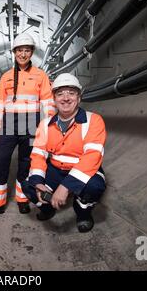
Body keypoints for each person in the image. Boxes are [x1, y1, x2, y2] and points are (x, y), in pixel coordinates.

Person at [0, 33, 55, 219]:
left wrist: (50, 125)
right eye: (20, 50)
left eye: (26, 50)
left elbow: (48, 102)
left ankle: (23, 200)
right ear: (14, 52)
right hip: (9, 125)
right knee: (1, 162)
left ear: (31, 52)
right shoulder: (5, 77)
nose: (23, 54)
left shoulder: (40, 75)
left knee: (26, 163)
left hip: (32, 124)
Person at [21, 73, 107, 233]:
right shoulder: (45, 124)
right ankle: (48, 209)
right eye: (60, 94)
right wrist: (39, 182)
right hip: (55, 170)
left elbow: (92, 157)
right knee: (28, 185)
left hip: (83, 169)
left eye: (71, 93)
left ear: (79, 98)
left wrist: (66, 186)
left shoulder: (94, 120)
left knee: (94, 187)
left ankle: (83, 212)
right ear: (54, 99)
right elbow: (38, 154)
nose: (65, 98)